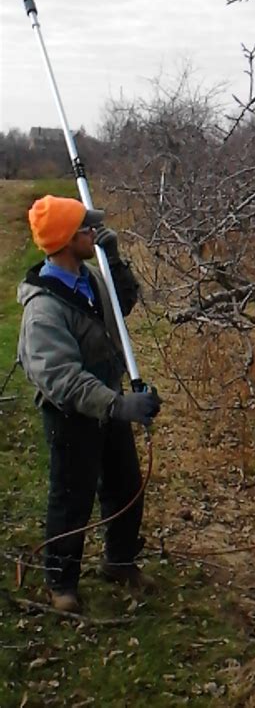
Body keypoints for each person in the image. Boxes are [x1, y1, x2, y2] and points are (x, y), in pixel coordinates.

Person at [17, 194, 161, 613]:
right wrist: (119, 406)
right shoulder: (44, 310)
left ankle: (119, 561)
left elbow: (123, 304)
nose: (95, 232)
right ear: (65, 240)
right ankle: (61, 583)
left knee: (124, 484)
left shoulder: (91, 277)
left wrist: (113, 261)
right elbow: (63, 378)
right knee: (71, 496)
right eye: (86, 228)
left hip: (109, 400)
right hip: (71, 413)